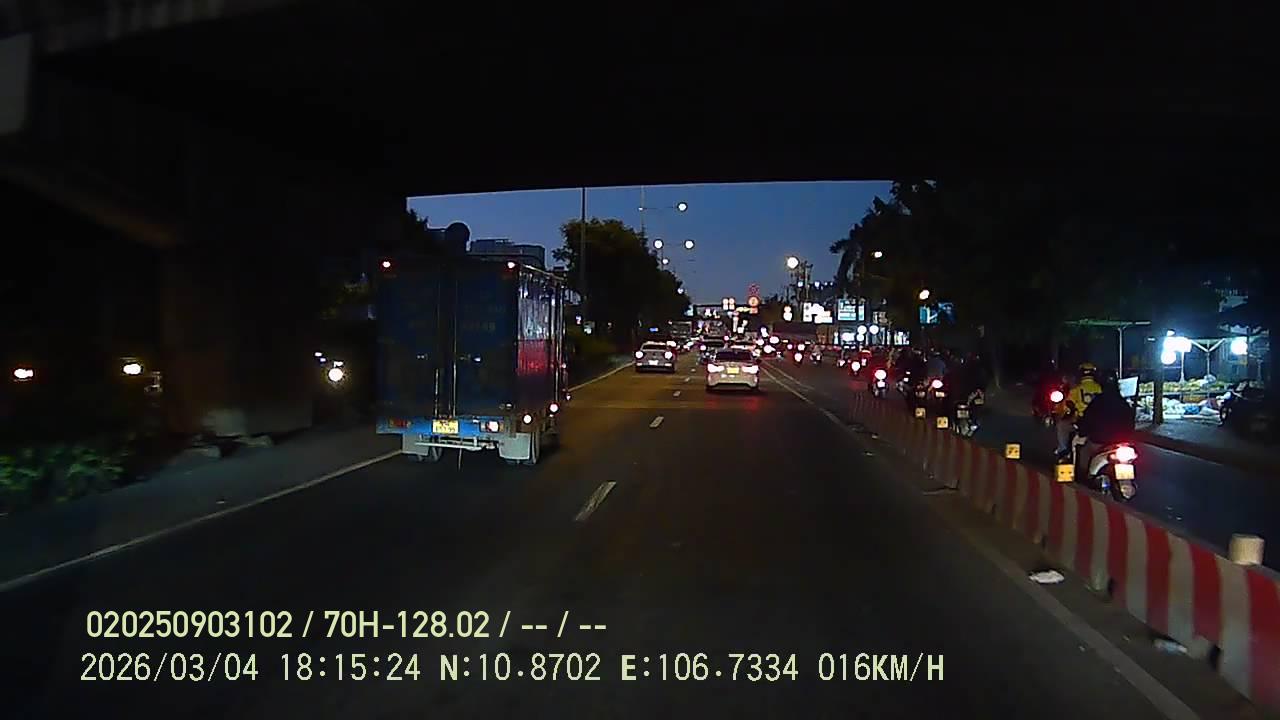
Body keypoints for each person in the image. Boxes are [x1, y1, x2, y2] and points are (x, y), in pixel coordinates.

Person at [1073, 373, 1136, 477]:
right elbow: (1131, 423)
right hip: (1123, 443)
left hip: (1100, 442)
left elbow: (1087, 421)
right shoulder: (1124, 403)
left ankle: (1084, 477)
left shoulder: (1097, 403)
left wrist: (1082, 431)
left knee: (1083, 451)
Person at [1055, 362, 1103, 457]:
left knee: (1062, 426)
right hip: (1098, 421)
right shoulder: (1100, 388)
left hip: (1081, 420)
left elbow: (1068, 405)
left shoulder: (1076, 389)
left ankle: (1063, 450)